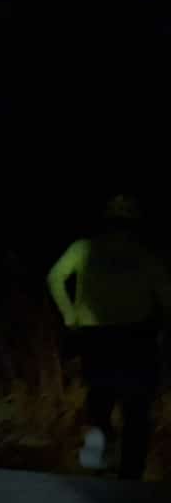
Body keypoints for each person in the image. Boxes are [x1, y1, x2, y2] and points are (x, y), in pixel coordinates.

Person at [47, 194, 169, 479]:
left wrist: (69, 314)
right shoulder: (144, 255)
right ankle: (130, 474)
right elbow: (167, 297)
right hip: (135, 337)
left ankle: (99, 456)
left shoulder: (83, 248)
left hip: (96, 336)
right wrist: (163, 332)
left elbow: (55, 277)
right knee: (136, 407)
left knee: (100, 398)